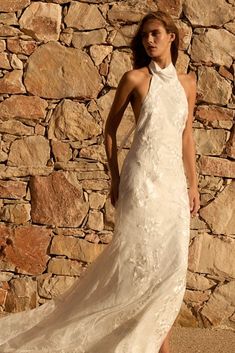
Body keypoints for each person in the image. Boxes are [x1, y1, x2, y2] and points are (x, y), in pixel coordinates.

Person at [0, 10, 200, 353]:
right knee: (140, 263)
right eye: (144, 37)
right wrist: (116, 178)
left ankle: (156, 342)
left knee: (171, 266)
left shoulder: (188, 83)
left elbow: (186, 136)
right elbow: (109, 130)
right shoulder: (135, 79)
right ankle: (160, 347)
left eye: (154, 34)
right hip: (142, 181)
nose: (149, 41)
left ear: (172, 37)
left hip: (174, 186)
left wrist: (193, 184)